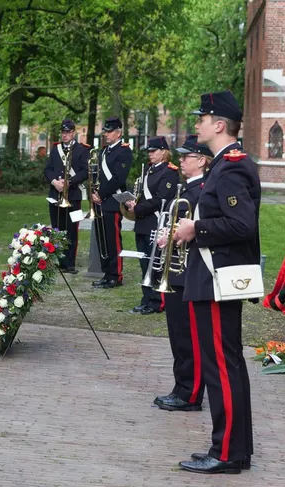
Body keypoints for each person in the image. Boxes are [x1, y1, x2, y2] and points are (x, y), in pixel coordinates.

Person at [172, 91, 261, 475]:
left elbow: (243, 225)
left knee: (221, 366)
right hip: (212, 276)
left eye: (202, 118)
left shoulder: (232, 167)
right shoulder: (223, 165)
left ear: (219, 125)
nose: (197, 124)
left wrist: (196, 228)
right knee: (226, 364)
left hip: (216, 278)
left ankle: (226, 452)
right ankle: (233, 448)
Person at [153, 135, 212, 412]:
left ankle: (191, 394)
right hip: (177, 271)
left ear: (201, 160)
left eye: (186, 156)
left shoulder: (202, 191)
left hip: (189, 271)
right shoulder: (187, 189)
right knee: (177, 334)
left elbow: (199, 229)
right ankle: (181, 386)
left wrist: (173, 234)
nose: (181, 160)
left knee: (189, 336)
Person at [123, 136, 179, 315]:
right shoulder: (149, 170)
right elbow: (141, 193)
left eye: (154, 151)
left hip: (155, 223)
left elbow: (160, 199)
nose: (151, 154)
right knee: (144, 264)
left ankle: (157, 302)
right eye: (149, 151)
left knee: (155, 264)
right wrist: (130, 201)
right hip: (142, 223)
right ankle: (146, 298)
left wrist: (137, 208)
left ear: (164, 152)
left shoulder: (169, 172)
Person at [44, 119, 90, 273]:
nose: (65, 135)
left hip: (74, 196)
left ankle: (70, 263)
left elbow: (85, 172)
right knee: (57, 229)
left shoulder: (82, 150)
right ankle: (58, 260)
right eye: (63, 132)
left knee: (72, 229)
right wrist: (54, 182)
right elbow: (48, 169)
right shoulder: (55, 149)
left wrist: (69, 181)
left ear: (73, 133)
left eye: (68, 132)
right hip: (55, 195)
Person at [92, 116, 132, 288]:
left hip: (113, 201)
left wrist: (100, 193)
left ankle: (116, 275)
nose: (106, 135)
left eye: (109, 132)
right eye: (105, 132)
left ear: (118, 132)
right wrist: (94, 192)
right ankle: (106, 273)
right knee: (102, 240)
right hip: (100, 201)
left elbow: (118, 178)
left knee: (113, 240)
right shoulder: (103, 151)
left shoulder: (124, 151)